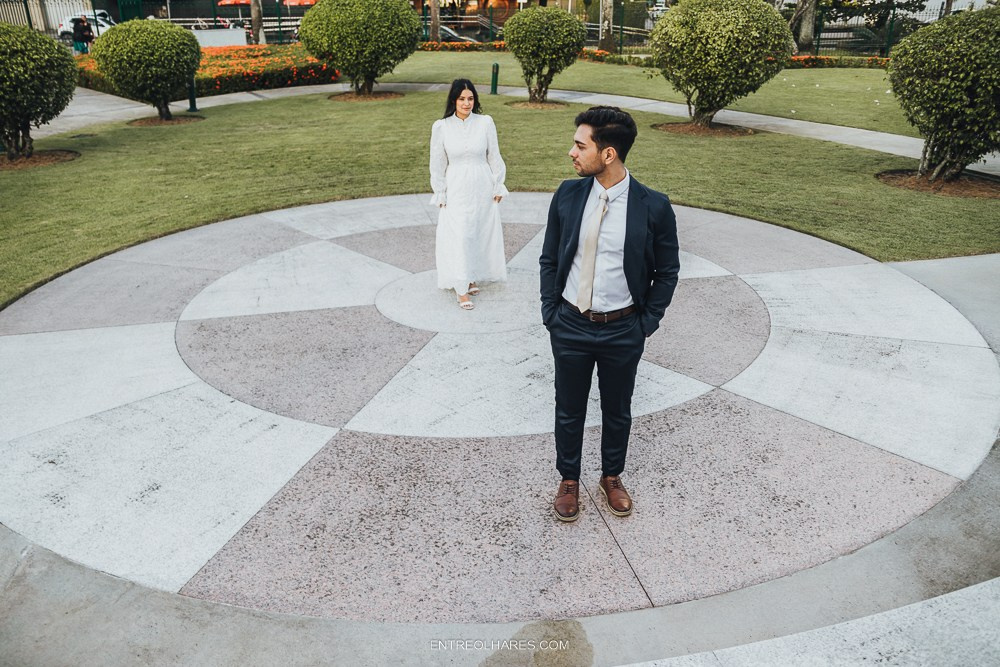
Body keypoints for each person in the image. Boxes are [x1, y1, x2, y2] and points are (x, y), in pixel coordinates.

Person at [539, 106, 680, 522]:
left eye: (580, 145)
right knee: (569, 408)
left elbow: (667, 271)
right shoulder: (567, 195)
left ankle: (612, 476)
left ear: (608, 154)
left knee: (618, 408)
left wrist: (645, 323)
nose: (572, 152)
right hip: (570, 324)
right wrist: (551, 311)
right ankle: (569, 479)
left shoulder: (653, 206)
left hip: (623, 329)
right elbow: (549, 258)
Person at [429, 79, 509, 310]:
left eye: (471, 98)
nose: (467, 103)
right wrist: (440, 192)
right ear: (454, 100)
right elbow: (437, 163)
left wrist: (498, 185)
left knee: (478, 232)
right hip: (456, 187)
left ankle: (471, 275)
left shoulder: (485, 123)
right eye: (462, 98)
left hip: (482, 184)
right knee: (460, 233)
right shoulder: (441, 127)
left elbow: (494, 155)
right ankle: (461, 288)